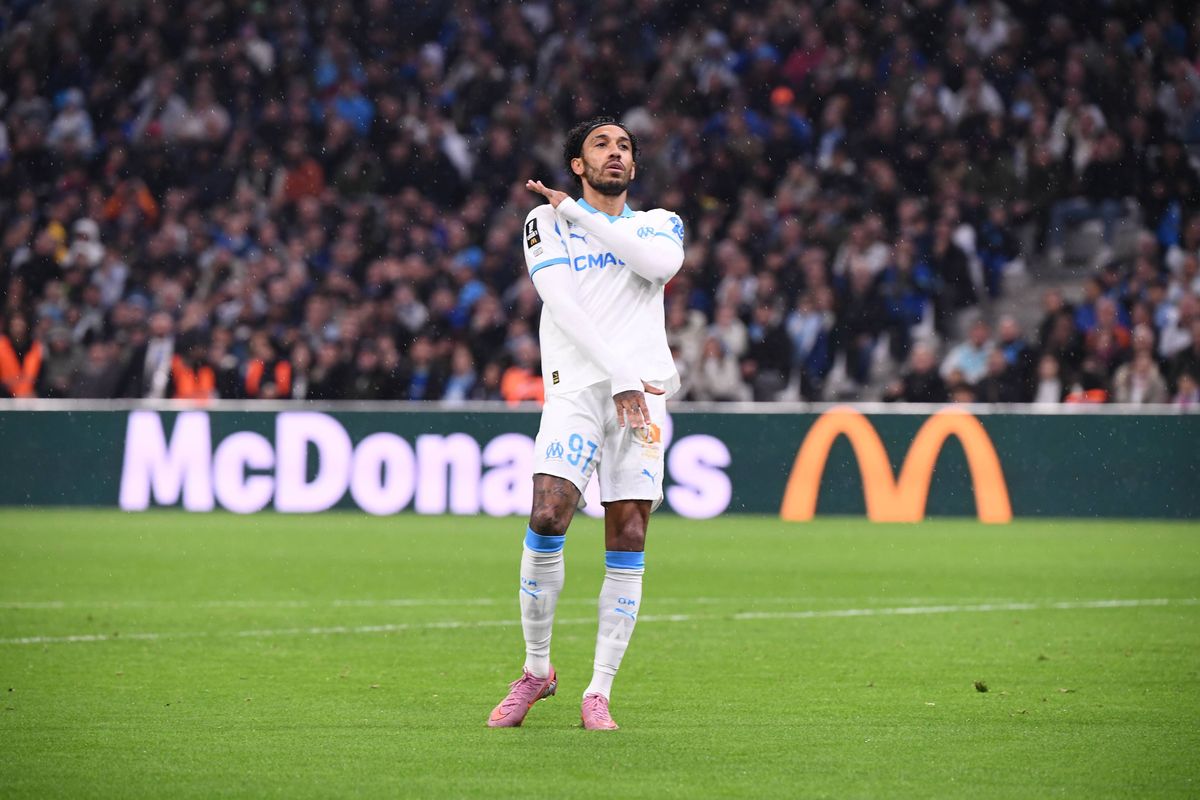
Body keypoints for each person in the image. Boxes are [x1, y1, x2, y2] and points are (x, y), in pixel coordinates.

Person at [488, 117, 684, 731]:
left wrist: (578, 211)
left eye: (624, 146)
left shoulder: (659, 222)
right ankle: (536, 670)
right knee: (548, 514)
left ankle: (598, 690)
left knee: (628, 533)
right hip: (577, 389)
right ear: (578, 163)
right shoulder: (543, 222)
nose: (615, 152)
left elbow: (657, 266)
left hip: (642, 398)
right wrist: (619, 372)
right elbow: (562, 305)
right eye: (601, 144)